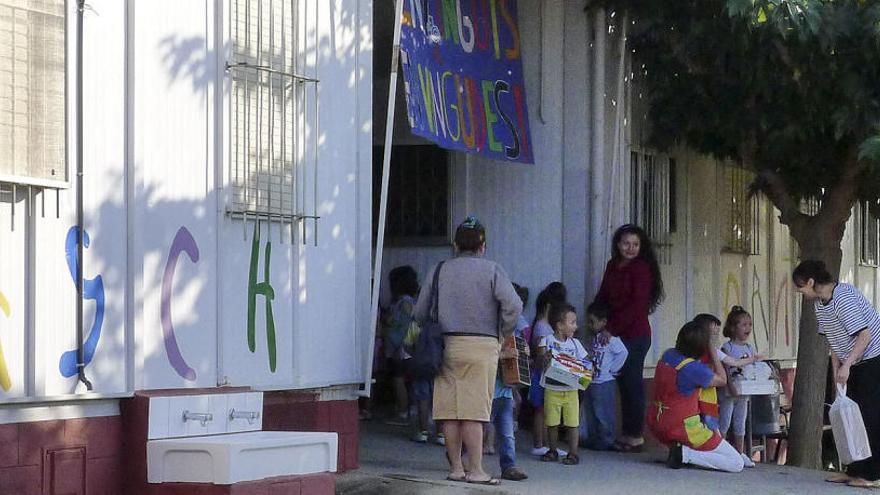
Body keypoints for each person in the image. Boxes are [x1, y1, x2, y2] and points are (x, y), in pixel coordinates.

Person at [414, 216, 522, 486]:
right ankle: (476, 470)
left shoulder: (439, 270)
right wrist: (502, 333)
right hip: (483, 345)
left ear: (455, 244)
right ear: (482, 245)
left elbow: (419, 312)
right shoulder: (493, 270)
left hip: (445, 346)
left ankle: (456, 469)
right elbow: (514, 306)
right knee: (474, 411)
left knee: (449, 411)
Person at [793, 260, 880, 489]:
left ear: (811, 282)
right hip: (852, 362)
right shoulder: (820, 304)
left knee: (869, 417)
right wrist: (837, 371)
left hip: (872, 359)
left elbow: (864, 335)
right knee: (851, 417)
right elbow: (833, 341)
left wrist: (847, 365)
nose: (799, 291)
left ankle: (872, 474)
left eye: (801, 286)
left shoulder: (843, 297)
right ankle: (854, 470)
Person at [595, 224, 664, 452]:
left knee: (633, 384)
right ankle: (625, 434)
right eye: (626, 243)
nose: (631, 248)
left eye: (635, 244)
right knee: (622, 384)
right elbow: (603, 295)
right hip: (614, 335)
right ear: (618, 244)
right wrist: (594, 316)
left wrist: (611, 328)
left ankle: (635, 436)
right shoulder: (612, 266)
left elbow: (637, 306)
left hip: (635, 335)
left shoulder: (641, 269)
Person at [647, 321, 744, 473]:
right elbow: (722, 380)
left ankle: (682, 451)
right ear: (702, 347)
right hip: (684, 429)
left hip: (657, 423)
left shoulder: (668, 355)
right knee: (736, 463)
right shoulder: (693, 369)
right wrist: (712, 350)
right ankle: (685, 455)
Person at [483, 283, 530, 481]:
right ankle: (461, 459)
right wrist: (504, 354)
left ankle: (509, 466)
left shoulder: (513, 335)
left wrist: (523, 354)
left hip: (505, 392)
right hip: (488, 391)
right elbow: (485, 355)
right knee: (478, 430)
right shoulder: (488, 330)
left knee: (507, 433)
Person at [538, 303, 589, 465]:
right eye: (572, 322)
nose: (576, 326)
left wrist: (587, 370)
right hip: (552, 388)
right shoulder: (546, 341)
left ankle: (573, 453)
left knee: (573, 422)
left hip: (571, 389)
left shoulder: (576, 344)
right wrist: (544, 358)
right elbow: (540, 360)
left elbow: (586, 362)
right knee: (552, 421)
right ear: (559, 325)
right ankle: (552, 450)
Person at [717, 306, 764, 468]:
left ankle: (739, 452)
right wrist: (730, 386)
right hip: (729, 392)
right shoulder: (727, 347)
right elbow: (725, 369)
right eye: (743, 325)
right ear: (732, 327)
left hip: (744, 392)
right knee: (724, 421)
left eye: (750, 324)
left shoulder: (750, 348)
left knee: (740, 422)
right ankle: (721, 451)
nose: (748, 328)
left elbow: (752, 369)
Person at [527, 282, 568, 456]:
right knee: (541, 409)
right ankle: (539, 444)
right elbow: (542, 354)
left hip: (545, 374)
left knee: (546, 409)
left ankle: (545, 443)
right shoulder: (542, 327)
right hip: (542, 374)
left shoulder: (541, 325)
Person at [581, 301, 628, 451]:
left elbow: (623, 352)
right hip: (592, 380)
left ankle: (607, 439)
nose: (589, 325)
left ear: (603, 322)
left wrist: (613, 369)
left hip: (604, 381)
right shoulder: (594, 338)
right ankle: (594, 438)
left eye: (592, 322)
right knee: (591, 411)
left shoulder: (611, 339)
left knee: (603, 412)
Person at [383, 265, 418, 426]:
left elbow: (398, 323)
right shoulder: (414, 301)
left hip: (400, 347)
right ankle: (410, 409)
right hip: (411, 346)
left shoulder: (403, 302)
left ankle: (402, 412)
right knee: (409, 379)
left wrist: (387, 320)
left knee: (398, 378)